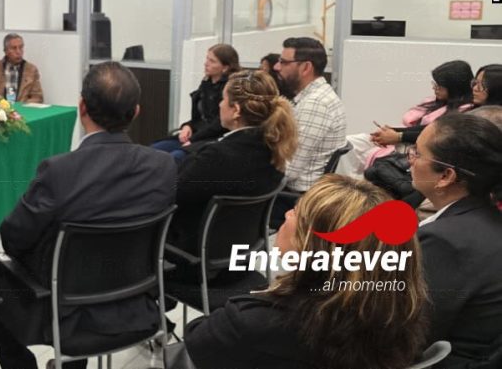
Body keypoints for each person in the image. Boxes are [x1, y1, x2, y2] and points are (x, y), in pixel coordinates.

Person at [0, 61, 177, 369]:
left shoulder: (60, 171)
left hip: (63, 312)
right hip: (136, 304)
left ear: (82, 107)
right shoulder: (163, 167)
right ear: (136, 112)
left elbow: (12, 238)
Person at [184, 174, 429, 369]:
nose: (287, 214)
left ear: (312, 244)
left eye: (297, 212)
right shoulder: (401, 315)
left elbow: (197, 344)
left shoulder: (252, 323)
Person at [168, 69, 296, 252]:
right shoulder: (273, 150)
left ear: (236, 110)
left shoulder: (217, 157)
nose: (220, 104)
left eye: (223, 99)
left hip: (197, 251)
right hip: (243, 251)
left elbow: (172, 196)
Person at [411, 112, 502, 367]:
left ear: (446, 176)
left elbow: (408, 332)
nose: (410, 160)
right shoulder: (483, 218)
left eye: (417, 153)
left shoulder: (446, 242)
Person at [340, 60, 474, 178]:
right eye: (435, 84)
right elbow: (418, 127)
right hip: (402, 141)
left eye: (439, 86)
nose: (434, 88)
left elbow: (432, 132)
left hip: (416, 150)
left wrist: (398, 136)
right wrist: (392, 132)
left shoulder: (464, 112)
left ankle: (351, 186)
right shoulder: (436, 102)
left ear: (455, 88)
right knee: (350, 143)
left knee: (368, 155)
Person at [274, 37, 346, 195]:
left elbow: (290, 171)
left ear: (306, 67)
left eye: (284, 62)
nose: (276, 67)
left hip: (296, 197)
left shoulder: (315, 104)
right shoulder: (317, 96)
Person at [152, 43, 241, 161]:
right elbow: (198, 118)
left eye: (212, 61)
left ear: (225, 68)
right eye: (207, 59)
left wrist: (193, 139)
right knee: (154, 150)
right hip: (196, 133)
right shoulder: (206, 83)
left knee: (176, 157)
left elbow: (219, 124)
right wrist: (187, 126)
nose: (206, 63)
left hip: (214, 138)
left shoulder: (230, 89)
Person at [0, 33, 44, 103]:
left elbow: (37, 97)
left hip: (22, 108)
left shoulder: (31, 70)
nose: (18, 52)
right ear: (5, 51)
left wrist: (21, 106)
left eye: (21, 47)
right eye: (14, 48)